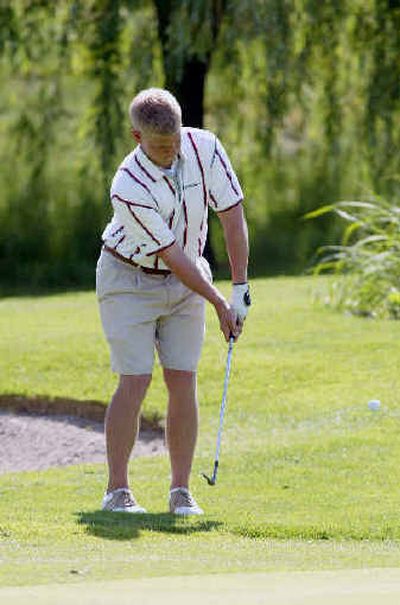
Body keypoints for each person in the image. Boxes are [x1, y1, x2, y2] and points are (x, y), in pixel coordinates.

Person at [96, 88, 250, 515]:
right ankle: (117, 492)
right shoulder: (127, 185)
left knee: (183, 378)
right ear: (136, 137)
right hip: (128, 278)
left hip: (187, 281)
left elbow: (232, 214)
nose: (170, 152)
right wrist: (219, 302)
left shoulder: (206, 148)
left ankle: (181, 491)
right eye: (160, 146)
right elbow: (173, 256)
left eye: (175, 141)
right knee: (135, 379)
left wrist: (239, 288)